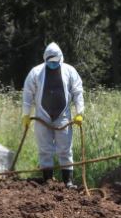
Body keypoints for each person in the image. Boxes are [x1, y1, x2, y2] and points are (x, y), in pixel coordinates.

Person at [22, 42, 84, 187]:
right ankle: (47, 181)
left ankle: (68, 181)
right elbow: (27, 94)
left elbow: (77, 92)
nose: (53, 64)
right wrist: (26, 115)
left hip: (63, 116)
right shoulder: (36, 72)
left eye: (56, 62)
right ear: (45, 59)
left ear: (60, 59)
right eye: (50, 62)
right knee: (45, 149)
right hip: (42, 115)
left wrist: (79, 112)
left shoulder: (70, 71)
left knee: (65, 149)